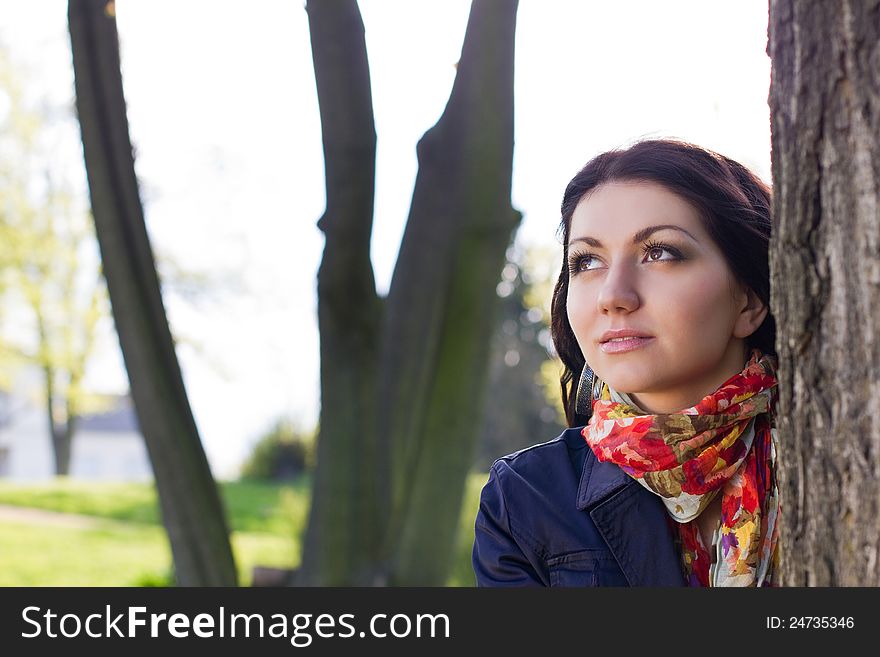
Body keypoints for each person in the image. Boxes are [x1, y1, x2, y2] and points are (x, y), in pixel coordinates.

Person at [472, 139, 779, 587]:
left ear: (749, 299)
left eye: (660, 252)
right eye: (587, 261)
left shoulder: (840, 452)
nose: (613, 295)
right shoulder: (523, 500)